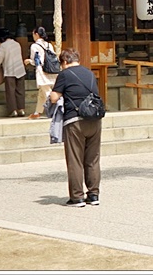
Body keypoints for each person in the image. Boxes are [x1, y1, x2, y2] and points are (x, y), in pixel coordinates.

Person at [49, 48, 102, 207]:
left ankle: (77, 197)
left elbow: (53, 98)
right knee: (93, 159)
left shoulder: (64, 74)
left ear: (65, 62)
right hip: (94, 120)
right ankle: (93, 195)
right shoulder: (90, 73)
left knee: (75, 160)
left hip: (75, 121)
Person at [25, 26, 58, 120]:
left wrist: (29, 61)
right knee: (41, 93)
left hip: (42, 71)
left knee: (47, 92)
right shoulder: (49, 45)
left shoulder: (34, 46)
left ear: (36, 34)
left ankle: (56, 110)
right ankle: (37, 112)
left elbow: (36, 60)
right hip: (51, 70)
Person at [0, 28, 27, 117]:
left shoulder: (3, 45)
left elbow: (0, 58)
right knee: (20, 90)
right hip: (20, 69)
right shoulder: (17, 44)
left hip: (10, 70)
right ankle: (21, 109)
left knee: (11, 91)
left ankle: (13, 110)